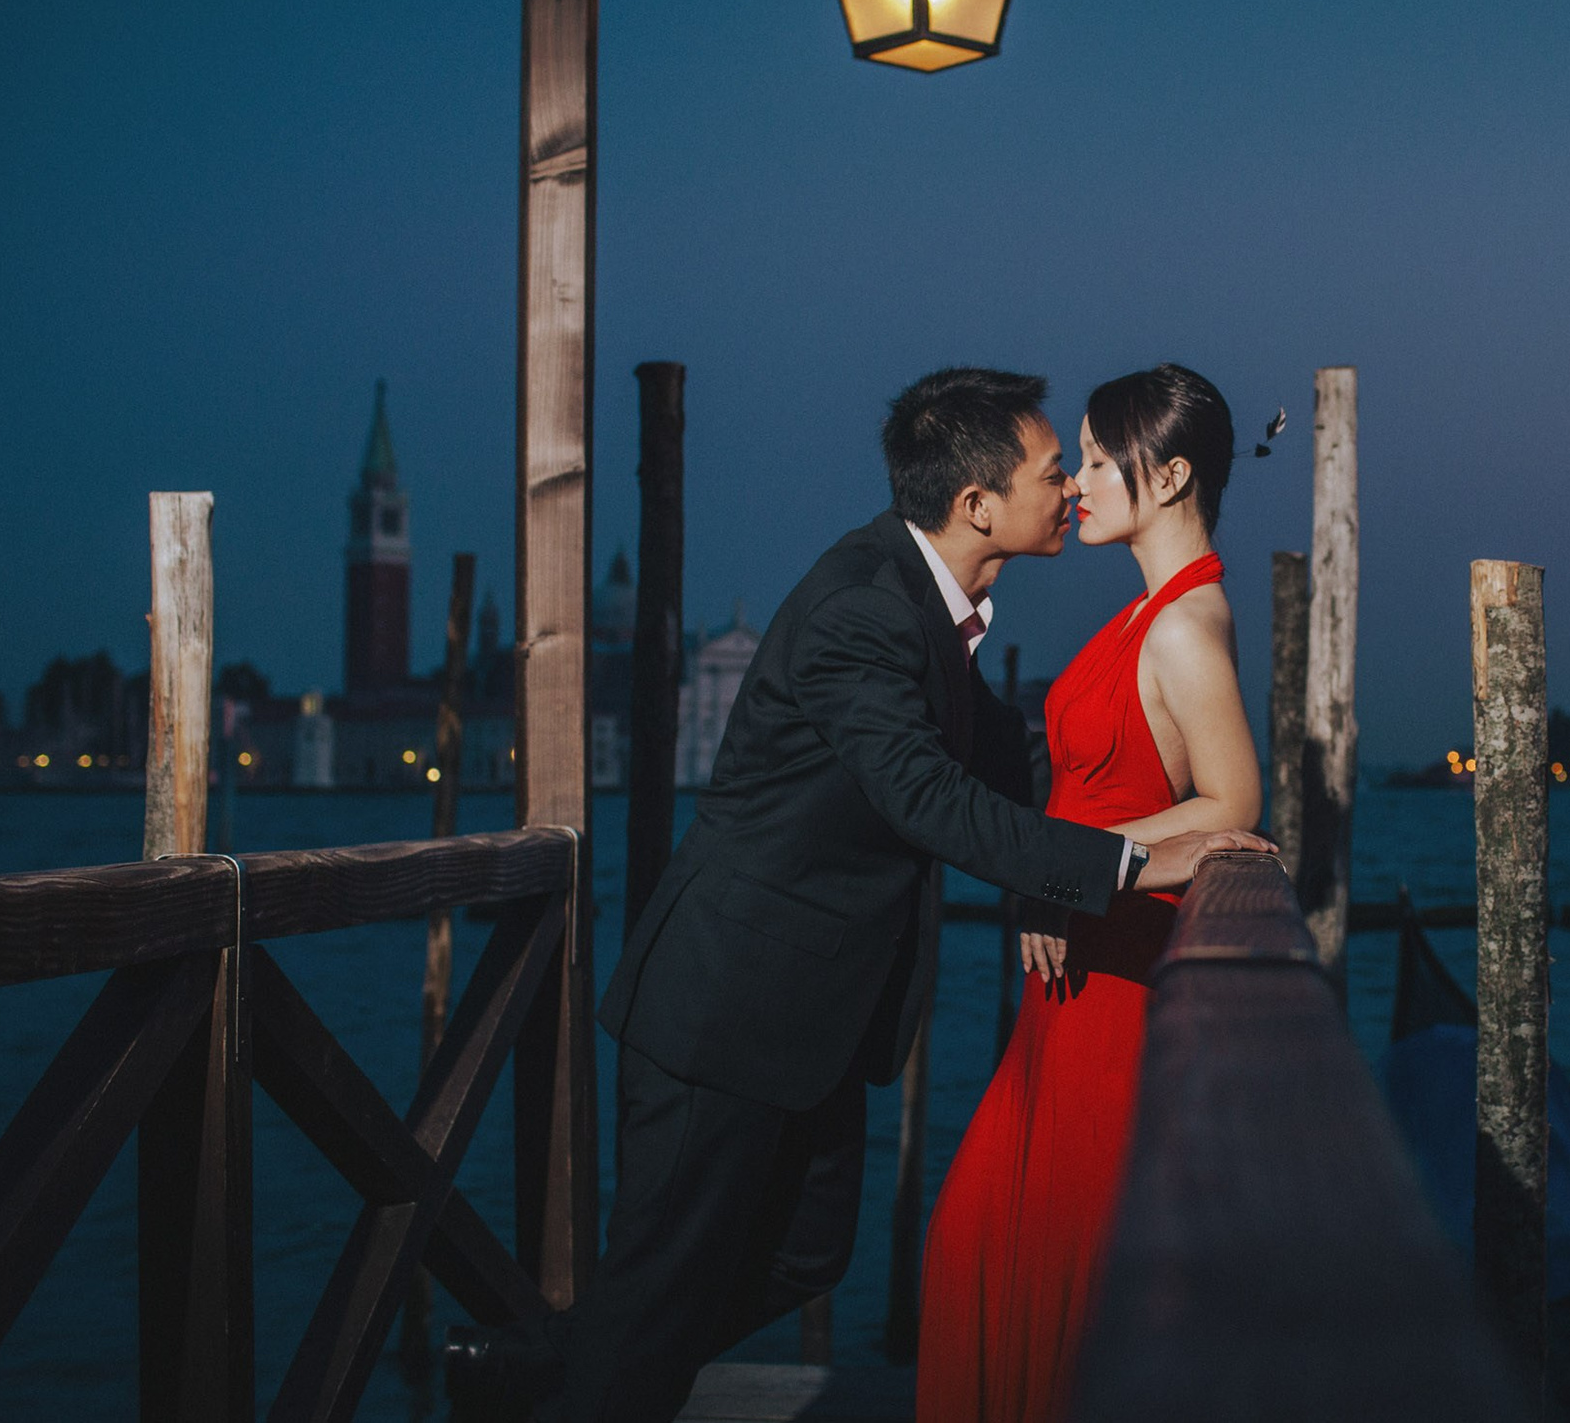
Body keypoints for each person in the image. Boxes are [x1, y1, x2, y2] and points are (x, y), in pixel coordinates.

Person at [444, 367, 1273, 1421]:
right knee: (660, 1299)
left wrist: (1050, 871)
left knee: (801, 1258)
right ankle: (580, 1376)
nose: (1070, 489)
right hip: (726, 1003)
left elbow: (994, 749)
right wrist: (1125, 866)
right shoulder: (863, 611)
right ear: (978, 504)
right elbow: (931, 797)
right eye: (1056, 470)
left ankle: (537, 1363)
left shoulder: (933, 599)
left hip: (811, 1014)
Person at [916, 363, 1263, 1423]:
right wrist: (1051, 872)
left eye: (1102, 462)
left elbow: (1233, 801)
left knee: (1025, 1259)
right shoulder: (1146, 614)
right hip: (1071, 990)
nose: (1078, 485)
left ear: (1170, 479)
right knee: (983, 1246)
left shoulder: (1183, 626)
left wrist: (1058, 873)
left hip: (1115, 988)